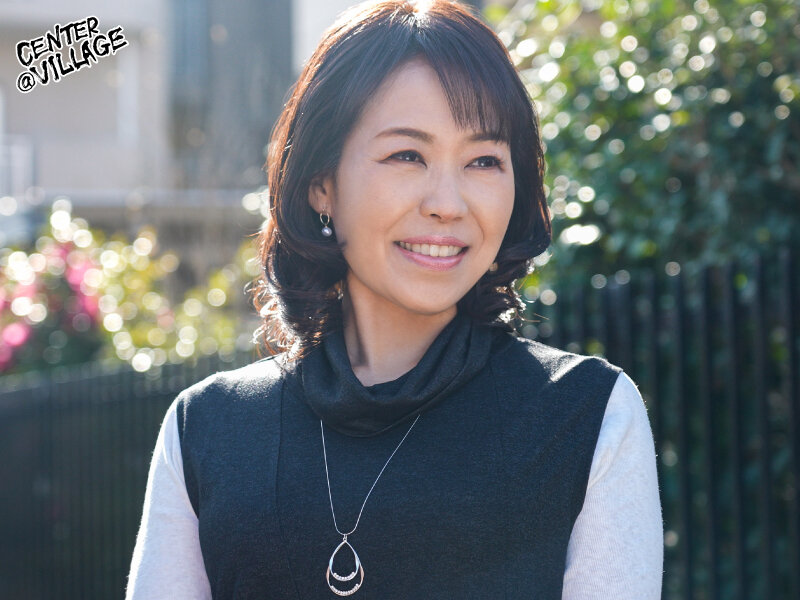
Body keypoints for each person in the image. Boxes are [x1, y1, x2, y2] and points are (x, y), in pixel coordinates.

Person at [125, 0, 663, 598]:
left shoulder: (586, 415)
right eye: (407, 155)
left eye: (484, 160)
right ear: (321, 184)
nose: (448, 204)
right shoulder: (208, 429)